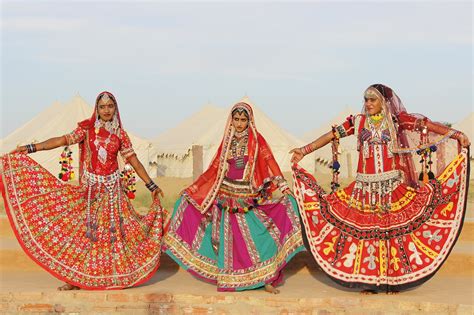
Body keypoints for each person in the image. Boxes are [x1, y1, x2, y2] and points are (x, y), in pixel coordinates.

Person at [290, 84, 470, 293]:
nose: (368, 103)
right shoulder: (357, 122)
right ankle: (370, 283)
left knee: (393, 236)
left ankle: (393, 281)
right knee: (368, 238)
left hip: (392, 188)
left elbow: (427, 126)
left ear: (383, 102)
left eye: (372, 100)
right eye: (366, 99)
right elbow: (332, 136)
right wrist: (304, 150)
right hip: (363, 190)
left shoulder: (396, 121)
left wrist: (456, 134)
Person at [0, 91, 165, 290]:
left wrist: (151, 185)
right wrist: (30, 148)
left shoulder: (121, 135)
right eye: (102, 107)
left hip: (113, 194)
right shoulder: (86, 130)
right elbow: (61, 140)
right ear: (97, 109)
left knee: (115, 236)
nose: (106, 110)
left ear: (115, 109)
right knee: (84, 235)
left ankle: (114, 275)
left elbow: (134, 161)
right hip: (90, 193)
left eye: (110, 106)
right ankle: (75, 279)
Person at [164, 102, 305, 294]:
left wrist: (283, 186)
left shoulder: (257, 140)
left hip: (247, 195)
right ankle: (230, 278)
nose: (239, 124)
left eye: (243, 120)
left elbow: (269, 162)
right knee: (229, 240)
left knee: (256, 236)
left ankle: (266, 278)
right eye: (236, 119)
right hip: (225, 194)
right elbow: (214, 169)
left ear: (249, 120)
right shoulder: (227, 141)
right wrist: (193, 189)